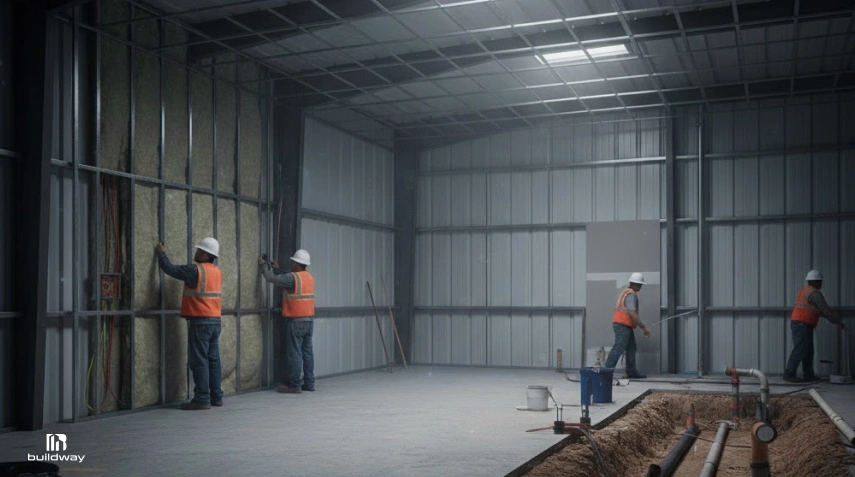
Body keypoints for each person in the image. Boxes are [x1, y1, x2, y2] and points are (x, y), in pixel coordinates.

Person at [156, 237, 224, 410]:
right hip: (215, 321)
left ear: (204, 254)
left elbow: (169, 269)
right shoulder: (217, 271)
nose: (196, 252)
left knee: (199, 360)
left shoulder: (195, 270)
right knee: (213, 360)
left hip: (200, 321)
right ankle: (216, 397)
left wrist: (161, 253)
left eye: (198, 250)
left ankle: (202, 398)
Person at [258, 249, 315, 394]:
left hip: (296, 321)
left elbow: (272, 279)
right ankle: (309, 383)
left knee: (295, 353)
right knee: (307, 353)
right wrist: (280, 270)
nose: (291, 264)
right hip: (309, 320)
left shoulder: (292, 278)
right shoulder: (309, 277)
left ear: (297, 263)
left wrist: (263, 266)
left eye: (293, 262)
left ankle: (294, 384)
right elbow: (291, 279)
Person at [783, 270, 845, 383]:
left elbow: (818, 311)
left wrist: (833, 320)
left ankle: (808, 374)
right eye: (820, 281)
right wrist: (837, 321)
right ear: (816, 282)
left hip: (802, 324)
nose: (821, 284)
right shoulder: (815, 293)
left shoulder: (805, 291)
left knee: (807, 350)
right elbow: (825, 310)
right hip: (802, 324)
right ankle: (789, 374)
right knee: (800, 349)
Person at [604, 272, 650, 379]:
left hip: (624, 325)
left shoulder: (626, 292)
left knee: (631, 348)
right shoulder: (631, 295)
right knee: (618, 348)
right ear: (635, 284)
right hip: (622, 325)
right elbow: (632, 312)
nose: (641, 287)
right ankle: (606, 373)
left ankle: (631, 372)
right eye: (640, 285)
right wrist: (643, 327)